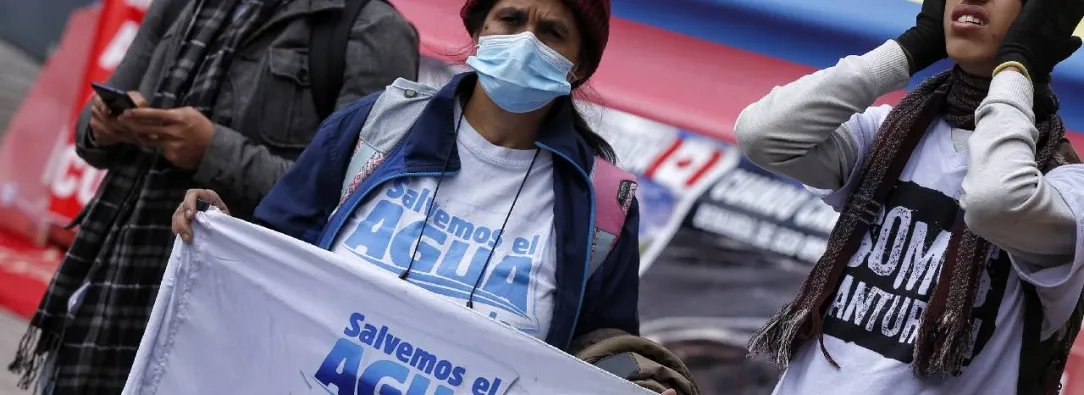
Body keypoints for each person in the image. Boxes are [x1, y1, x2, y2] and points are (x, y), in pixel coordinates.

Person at [173, 0, 698, 393]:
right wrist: (220, 231)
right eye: (511, 19)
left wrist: (636, 383)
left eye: (552, 32)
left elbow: (600, 353)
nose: (526, 42)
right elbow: (269, 257)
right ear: (479, 31)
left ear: (578, 66)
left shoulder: (601, 205)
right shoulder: (376, 126)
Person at [8, 0, 419, 393]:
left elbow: (355, 210)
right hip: (108, 291)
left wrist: (212, 150)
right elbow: (90, 127)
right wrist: (105, 125)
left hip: (225, 328)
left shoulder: (374, 30)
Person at [735, 0, 1084, 393]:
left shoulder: (1068, 188)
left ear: (1043, 19)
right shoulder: (889, 134)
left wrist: (1018, 66)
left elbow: (995, 203)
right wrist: (910, 48)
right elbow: (763, 135)